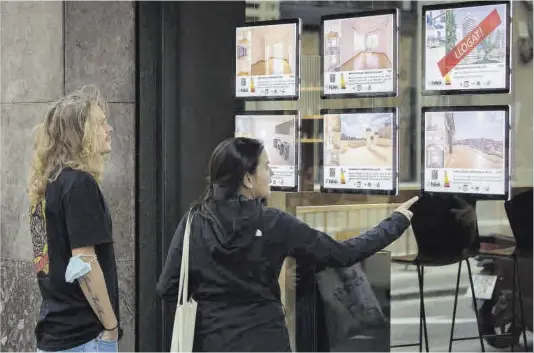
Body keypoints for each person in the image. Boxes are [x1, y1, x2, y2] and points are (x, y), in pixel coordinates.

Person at [157, 137, 419, 352]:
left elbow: (168, 287)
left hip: (210, 342)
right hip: (266, 340)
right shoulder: (274, 223)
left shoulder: (194, 222)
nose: (270, 173)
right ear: (248, 179)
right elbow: (342, 254)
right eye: (266, 167)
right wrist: (395, 222)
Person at [27, 87, 120, 352]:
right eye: (101, 123)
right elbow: (84, 263)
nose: (109, 129)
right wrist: (111, 328)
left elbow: (46, 263)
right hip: (84, 337)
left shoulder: (46, 185)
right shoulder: (79, 183)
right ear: (81, 133)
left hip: (55, 333)